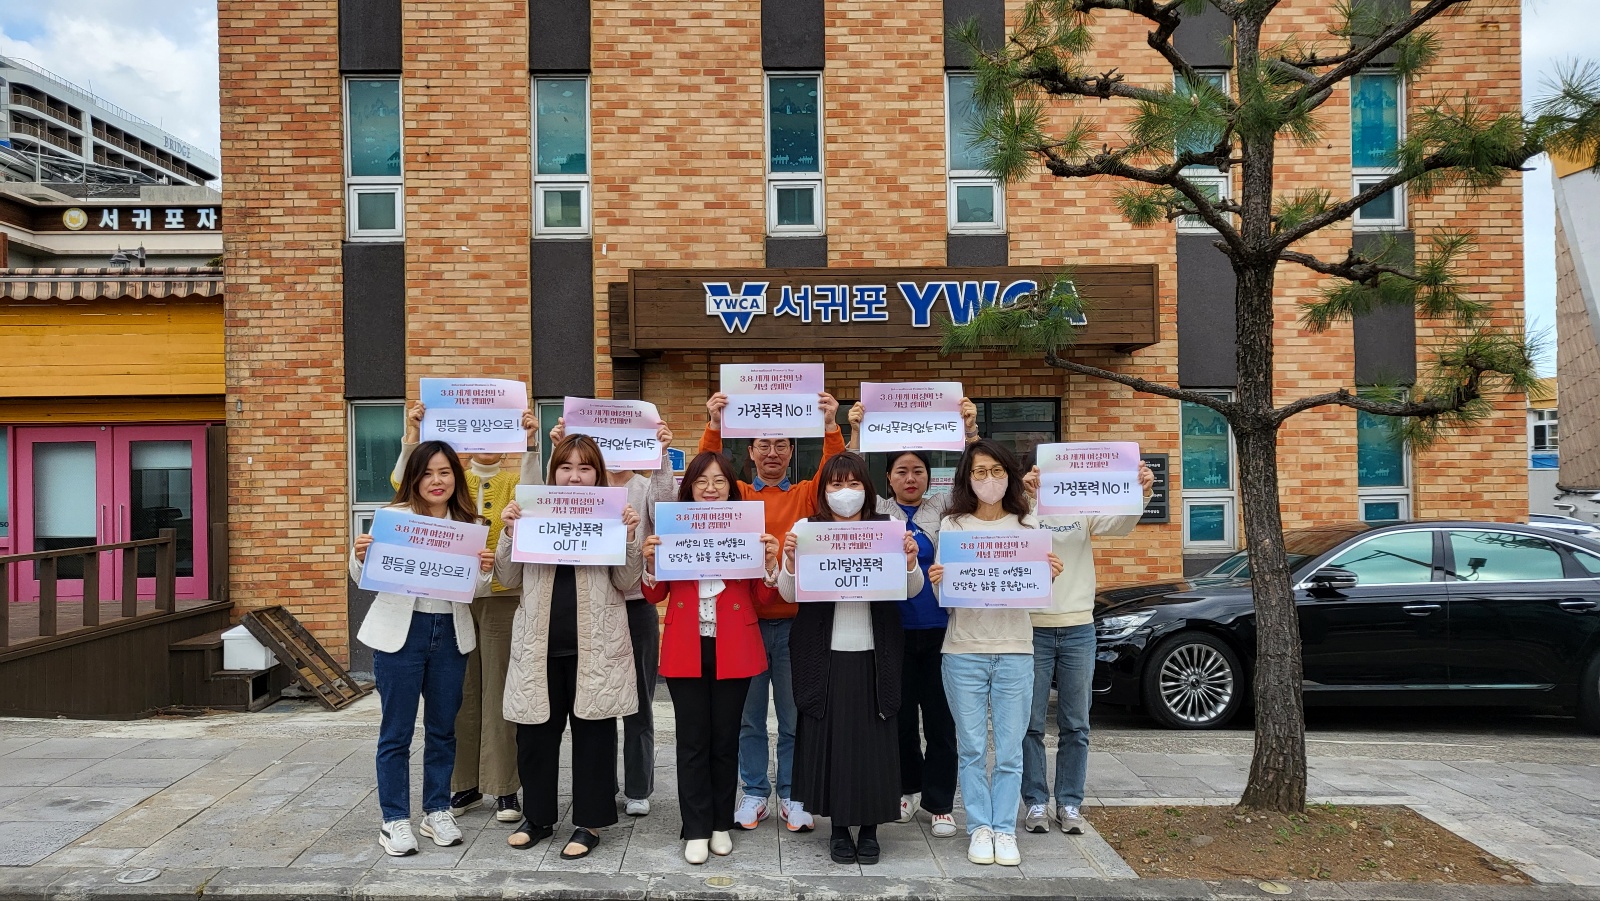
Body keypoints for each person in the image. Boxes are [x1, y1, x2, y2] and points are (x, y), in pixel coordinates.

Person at [698, 388, 844, 832]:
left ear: (792, 450)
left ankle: (794, 793)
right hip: (744, 623)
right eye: (764, 444)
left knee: (795, 715)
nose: (773, 452)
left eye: (781, 444)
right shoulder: (737, 494)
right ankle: (755, 791)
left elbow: (832, 473)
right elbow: (704, 474)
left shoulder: (805, 495)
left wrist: (831, 427)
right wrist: (714, 426)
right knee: (749, 718)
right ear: (750, 451)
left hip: (797, 625)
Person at [495, 434, 644, 860]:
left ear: (597, 474)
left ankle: (589, 822)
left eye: (584, 468)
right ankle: (537, 818)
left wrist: (629, 537)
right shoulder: (533, 512)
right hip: (538, 646)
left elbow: (627, 581)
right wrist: (508, 532)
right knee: (535, 737)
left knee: (594, 736)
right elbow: (507, 577)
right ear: (553, 473)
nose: (574, 477)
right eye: (565, 467)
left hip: (595, 646)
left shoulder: (611, 515)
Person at [392, 403, 540, 825]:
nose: (489, 444)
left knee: (499, 690)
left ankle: (505, 786)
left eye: (499, 434)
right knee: (458, 694)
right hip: (451, 597)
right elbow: (403, 481)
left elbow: (534, 499)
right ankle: (464, 783)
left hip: (502, 596)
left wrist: (531, 445)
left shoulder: (512, 480)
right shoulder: (452, 478)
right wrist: (413, 433)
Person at [777, 452, 923, 865]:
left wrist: (910, 561)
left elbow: (911, 589)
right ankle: (839, 827)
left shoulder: (887, 527)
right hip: (824, 655)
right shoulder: (807, 529)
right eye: (836, 484)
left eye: (854, 484)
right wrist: (791, 561)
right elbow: (788, 593)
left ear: (867, 488)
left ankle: (871, 828)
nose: (846, 492)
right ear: (824, 491)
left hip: (877, 653)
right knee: (834, 743)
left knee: (875, 743)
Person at [351, 440, 495, 857]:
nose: (437, 480)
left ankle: (437, 811)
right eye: (428, 472)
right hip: (401, 633)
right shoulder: (394, 519)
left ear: (456, 478)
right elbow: (362, 575)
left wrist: (485, 570)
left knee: (443, 729)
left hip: (450, 632)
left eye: (445, 472)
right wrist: (360, 556)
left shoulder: (469, 523)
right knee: (396, 732)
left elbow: (476, 590)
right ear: (414, 478)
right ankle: (394, 819)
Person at [846, 398, 979, 837]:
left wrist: (970, 431)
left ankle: (940, 804)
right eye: (901, 471)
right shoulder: (876, 512)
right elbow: (848, 479)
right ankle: (906, 789)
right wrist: (855, 434)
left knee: (941, 721)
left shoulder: (943, 508)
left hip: (941, 631)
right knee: (898, 718)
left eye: (918, 471)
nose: (910, 478)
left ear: (928, 476)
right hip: (893, 633)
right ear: (887, 478)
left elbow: (974, 477)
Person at [641, 451, 781, 864]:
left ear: (731, 488)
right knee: (692, 741)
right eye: (702, 481)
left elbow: (762, 597)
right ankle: (696, 826)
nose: (710, 489)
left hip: (735, 645)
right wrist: (650, 563)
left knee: (725, 740)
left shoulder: (747, 529)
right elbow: (654, 594)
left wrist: (770, 563)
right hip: (686, 646)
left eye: (719, 481)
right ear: (689, 489)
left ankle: (721, 823)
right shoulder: (674, 528)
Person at [928, 439, 1062, 868]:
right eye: (980, 472)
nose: (989, 479)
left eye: (997, 471)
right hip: (963, 650)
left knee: (1009, 750)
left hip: (1016, 649)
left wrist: (1048, 576)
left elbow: (1034, 592)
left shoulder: (1029, 526)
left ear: (1010, 475)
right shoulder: (953, 526)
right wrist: (938, 580)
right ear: (967, 478)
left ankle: (1004, 828)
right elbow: (945, 600)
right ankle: (979, 827)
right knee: (970, 748)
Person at [548, 416, 676, 819]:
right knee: (594, 703)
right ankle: (601, 786)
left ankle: (638, 785)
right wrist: (555, 448)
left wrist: (661, 458)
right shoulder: (585, 488)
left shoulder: (644, 485)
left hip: (636, 604)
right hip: (591, 605)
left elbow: (669, 513)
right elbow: (547, 504)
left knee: (639, 701)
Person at [1019, 459, 1154, 836]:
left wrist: (1142, 492)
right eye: (1040, 470)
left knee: (1076, 723)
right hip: (1032, 627)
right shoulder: (1020, 510)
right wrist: (1028, 498)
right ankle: (1035, 801)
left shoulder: (1080, 507)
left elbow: (1119, 525)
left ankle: (1069, 802)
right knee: (1030, 723)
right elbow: (1018, 540)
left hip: (1079, 627)